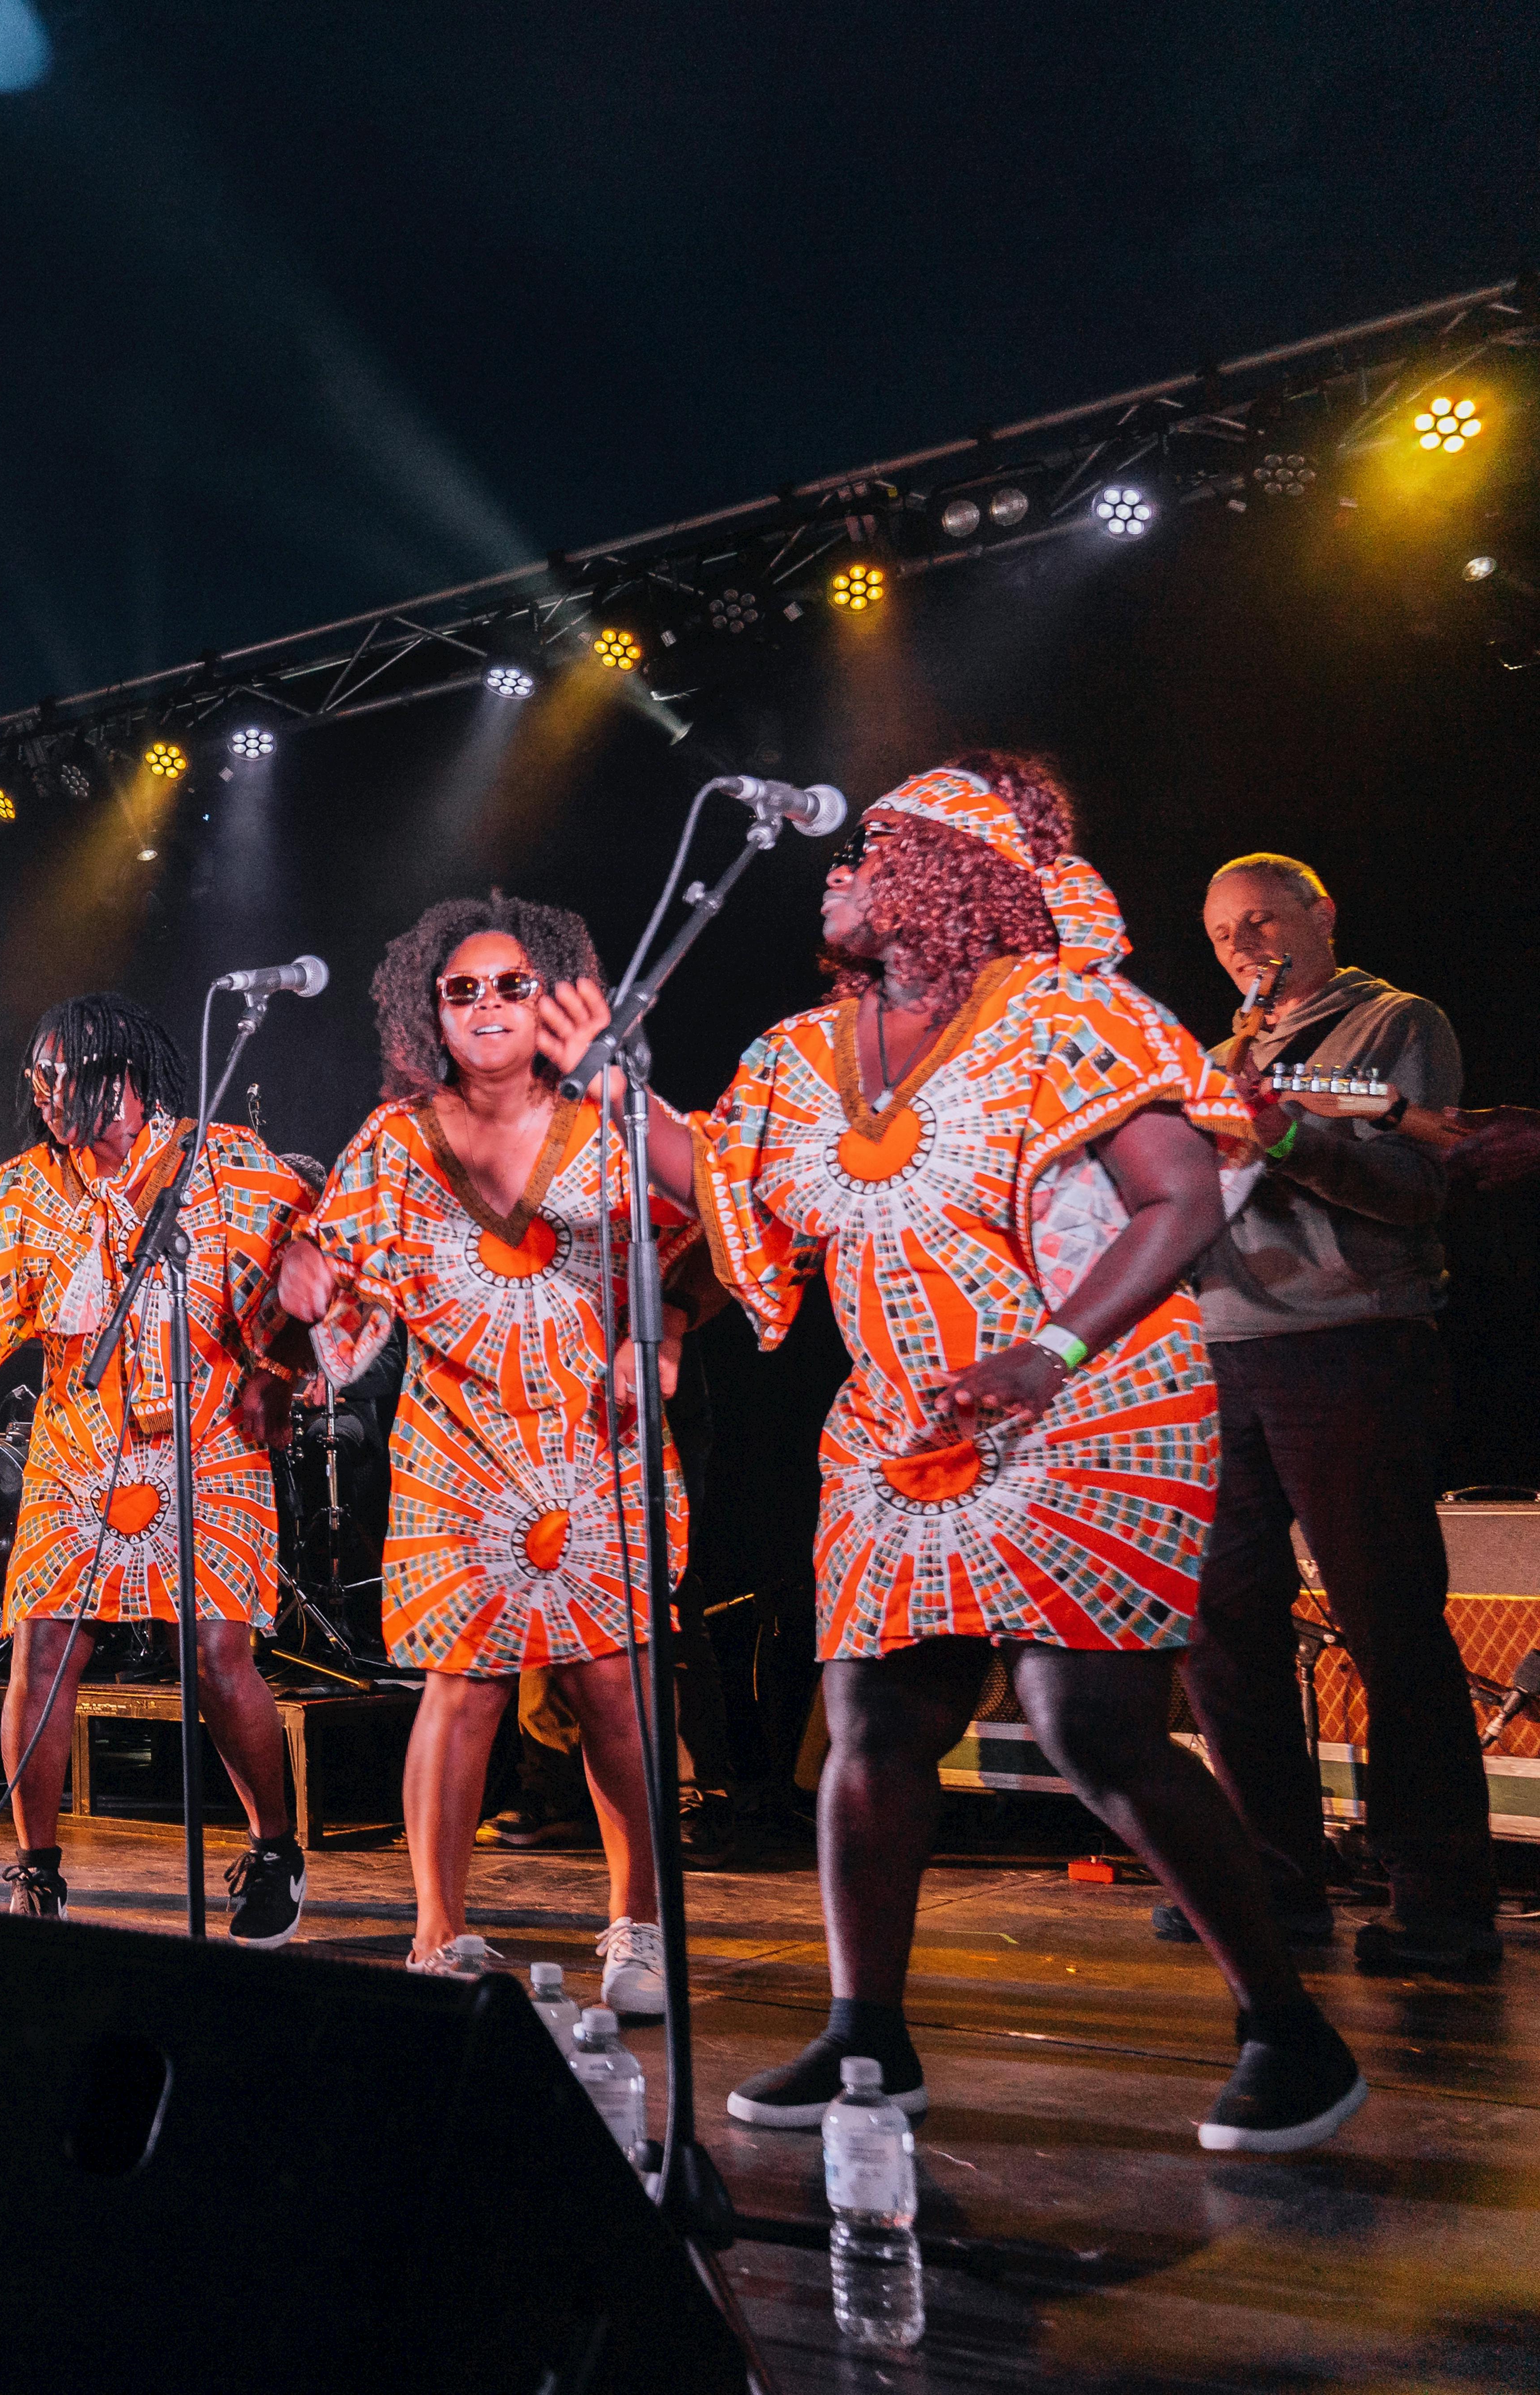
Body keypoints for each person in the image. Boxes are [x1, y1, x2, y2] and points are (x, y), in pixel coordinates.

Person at [540, 751, 1367, 2154]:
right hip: (903, 1420)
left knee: (1088, 1722)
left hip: (1091, 1398)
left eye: (866, 852)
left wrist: (1050, 1350)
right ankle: (866, 2035)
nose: (835, 874)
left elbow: (1177, 1200)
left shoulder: (1068, 1015)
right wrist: (615, 1093)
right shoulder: (800, 1054)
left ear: (941, 876)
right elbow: (733, 1200)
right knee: (873, 1719)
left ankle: (1290, 2029)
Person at [280, 895, 694, 2010]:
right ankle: (439, 1934)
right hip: (457, 1445)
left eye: (512, 984)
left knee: (613, 1685)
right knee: (461, 1686)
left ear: (551, 995)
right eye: (460, 990)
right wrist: (309, 1287)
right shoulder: (395, 1141)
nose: (486, 1005)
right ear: (432, 1013)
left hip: (595, 1442)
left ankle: (640, 1928)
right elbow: (340, 1296)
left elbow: (701, 1237)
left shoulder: (612, 1119)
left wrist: (659, 1342)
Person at [0, 993, 316, 1942]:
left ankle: (276, 1851)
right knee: (42, 1648)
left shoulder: (221, 1160)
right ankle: (37, 1870)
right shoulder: (33, 1186)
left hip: (207, 1434)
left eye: (62, 1073)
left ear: (123, 1075)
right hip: (78, 1443)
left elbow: (310, 1268)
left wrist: (282, 1371)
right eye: (37, 1075)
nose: (45, 1090)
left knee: (214, 1654)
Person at [1177, 852, 1499, 1976]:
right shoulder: (1215, 1057)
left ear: (1322, 915)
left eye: (1264, 920)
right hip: (1221, 1351)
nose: (1244, 945)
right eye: (1224, 932)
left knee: (1387, 1624)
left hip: (1351, 1343)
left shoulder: (1393, 1025)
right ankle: (1270, 1883)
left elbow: (1415, 1187)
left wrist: (1283, 1136)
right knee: (1221, 1629)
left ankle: (1442, 1904)